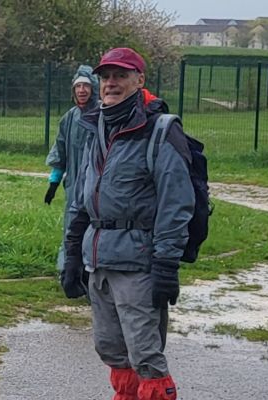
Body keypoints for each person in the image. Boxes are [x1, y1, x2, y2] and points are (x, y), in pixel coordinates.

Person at [62, 48, 195, 400]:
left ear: (140, 80)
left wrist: (166, 264)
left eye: (120, 75)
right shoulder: (97, 128)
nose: (111, 83)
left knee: (146, 356)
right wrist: (73, 252)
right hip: (99, 260)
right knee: (112, 351)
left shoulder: (159, 131)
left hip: (138, 263)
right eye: (105, 76)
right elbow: (82, 195)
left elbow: (176, 202)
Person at [50, 65, 98, 299]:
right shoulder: (69, 118)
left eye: (86, 86)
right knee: (72, 229)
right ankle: (68, 273)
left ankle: (91, 277)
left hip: (97, 185)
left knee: (94, 229)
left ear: (94, 88)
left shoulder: (102, 115)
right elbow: (61, 150)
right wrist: (53, 182)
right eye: (78, 86)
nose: (82, 90)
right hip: (73, 187)